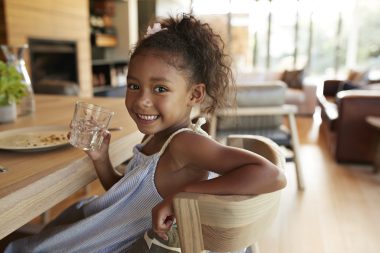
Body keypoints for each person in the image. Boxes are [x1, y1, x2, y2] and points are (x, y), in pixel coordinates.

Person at [5, 14, 286, 253]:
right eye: (134, 86)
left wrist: (186, 194)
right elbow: (126, 198)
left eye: (160, 89)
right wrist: (102, 159)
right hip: (109, 229)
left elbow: (272, 175)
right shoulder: (154, 136)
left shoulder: (185, 144)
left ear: (195, 94)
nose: (141, 101)